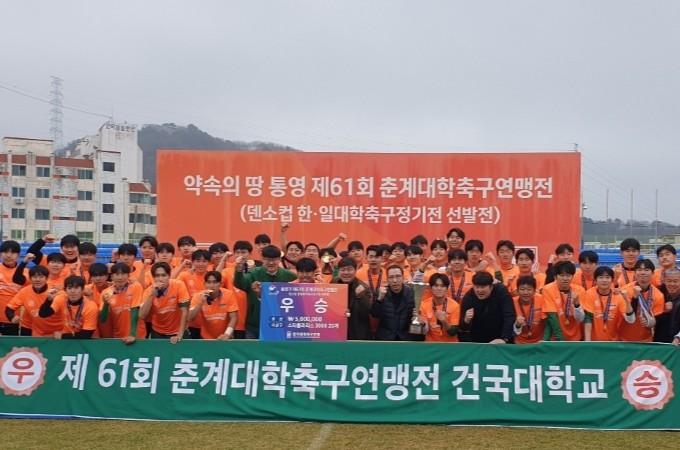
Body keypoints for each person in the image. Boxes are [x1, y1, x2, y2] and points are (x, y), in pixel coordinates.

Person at [234, 245, 297, 339]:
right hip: (255, 325)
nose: (271, 263)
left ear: (279, 259)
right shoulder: (254, 273)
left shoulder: (290, 276)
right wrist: (238, 270)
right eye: (267, 259)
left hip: (280, 325)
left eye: (274, 259)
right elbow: (240, 283)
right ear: (262, 259)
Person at [458, 271, 515, 343]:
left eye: (483, 287)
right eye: (477, 287)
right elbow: (462, 328)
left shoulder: (501, 291)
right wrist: (466, 320)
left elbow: (509, 315)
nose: (479, 290)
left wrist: (504, 338)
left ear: (491, 287)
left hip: (500, 338)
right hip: (478, 340)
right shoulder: (468, 297)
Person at [139, 262, 191, 343]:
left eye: (163, 275)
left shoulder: (179, 285)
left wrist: (180, 335)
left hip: (178, 331)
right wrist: (152, 295)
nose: (160, 279)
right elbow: (142, 315)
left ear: (169, 276)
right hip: (158, 332)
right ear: (153, 278)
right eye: (157, 276)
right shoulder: (148, 291)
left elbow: (184, 310)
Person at [582, 266, 635, 341]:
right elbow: (588, 318)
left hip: (613, 342)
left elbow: (631, 320)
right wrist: (588, 341)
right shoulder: (589, 294)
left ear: (612, 280)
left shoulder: (618, 296)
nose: (604, 280)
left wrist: (627, 300)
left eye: (607, 277)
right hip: (594, 341)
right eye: (600, 277)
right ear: (595, 280)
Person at [618, 259, 665, 342]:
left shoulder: (658, 295)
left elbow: (657, 320)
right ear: (635, 273)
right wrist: (635, 298)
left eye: (646, 270)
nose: (643, 273)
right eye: (639, 270)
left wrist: (650, 321)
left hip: (646, 340)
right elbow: (629, 318)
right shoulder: (625, 291)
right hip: (623, 339)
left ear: (653, 273)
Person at [99, 263, 146, 344]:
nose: (120, 277)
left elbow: (135, 310)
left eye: (123, 274)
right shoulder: (106, 292)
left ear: (128, 275)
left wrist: (132, 335)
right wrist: (106, 304)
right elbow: (103, 319)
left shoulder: (136, 287)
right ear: (112, 276)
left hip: (138, 335)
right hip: (118, 337)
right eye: (117, 274)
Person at [370, 265, 420, 341]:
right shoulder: (381, 292)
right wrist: (379, 299)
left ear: (403, 277)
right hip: (385, 338)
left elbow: (416, 316)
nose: (395, 280)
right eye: (391, 277)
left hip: (406, 338)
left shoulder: (411, 293)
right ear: (387, 279)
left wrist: (417, 316)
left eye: (398, 276)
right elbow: (374, 314)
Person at [5, 266, 58, 336]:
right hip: (28, 328)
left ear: (47, 278)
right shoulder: (24, 291)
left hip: (49, 329)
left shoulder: (55, 291)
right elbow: (9, 309)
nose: (38, 280)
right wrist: (12, 317)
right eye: (34, 277)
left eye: (41, 277)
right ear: (30, 278)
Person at [541, 261, 585, 341]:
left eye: (568, 275)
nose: (565, 278)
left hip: (575, 338)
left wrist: (577, 305)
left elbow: (580, 319)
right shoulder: (547, 289)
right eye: (562, 275)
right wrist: (561, 340)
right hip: (556, 339)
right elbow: (551, 317)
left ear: (572, 276)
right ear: (555, 276)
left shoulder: (579, 290)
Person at [188, 271, 239, 340]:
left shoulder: (229, 294)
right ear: (205, 284)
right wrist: (200, 303)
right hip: (205, 339)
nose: (211, 285)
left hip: (225, 338)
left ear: (220, 284)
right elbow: (190, 317)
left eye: (215, 282)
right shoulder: (198, 296)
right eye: (208, 282)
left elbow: (234, 317)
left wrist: (227, 334)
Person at [334, 257, 373, 340]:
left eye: (349, 269)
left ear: (355, 270)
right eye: (343, 270)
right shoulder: (333, 284)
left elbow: (369, 310)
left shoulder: (363, 287)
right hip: (338, 332)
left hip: (358, 333)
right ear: (339, 271)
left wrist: (361, 297)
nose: (346, 272)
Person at [221, 240, 253, 339]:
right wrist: (224, 259)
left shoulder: (256, 272)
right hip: (232, 322)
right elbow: (215, 280)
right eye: (237, 252)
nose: (240, 255)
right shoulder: (227, 271)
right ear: (234, 254)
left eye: (243, 252)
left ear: (250, 254)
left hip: (250, 323)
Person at [178, 249, 212, 338]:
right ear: (192, 262)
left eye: (204, 261)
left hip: (209, 323)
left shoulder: (212, 278)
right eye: (197, 261)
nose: (201, 264)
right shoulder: (184, 276)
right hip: (190, 323)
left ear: (209, 262)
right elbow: (172, 284)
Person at [419, 273, 460, 342]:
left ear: (447, 289)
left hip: (450, 345)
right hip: (431, 345)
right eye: (436, 285)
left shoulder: (455, 306)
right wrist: (422, 323)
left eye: (442, 286)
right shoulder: (424, 304)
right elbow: (424, 331)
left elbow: (453, 332)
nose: (439, 288)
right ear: (430, 288)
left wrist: (444, 321)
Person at [0, 240, 27, 335]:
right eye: (5, 252)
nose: (8, 255)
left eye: (13, 252)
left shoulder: (25, 273)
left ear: (19, 255)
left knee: (11, 349)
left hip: (14, 320)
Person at [512, 276, 547, 344]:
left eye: (529, 289)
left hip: (539, 342)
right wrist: (517, 325)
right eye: (522, 289)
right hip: (519, 342)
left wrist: (544, 340)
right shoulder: (511, 302)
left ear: (534, 291)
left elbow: (547, 323)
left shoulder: (542, 299)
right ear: (517, 291)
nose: (525, 292)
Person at [655, 267, 680, 342]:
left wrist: (678, 337)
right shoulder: (657, 293)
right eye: (669, 281)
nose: (672, 284)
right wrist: (662, 310)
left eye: (675, 281)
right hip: (659, 341)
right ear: (664, 281)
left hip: (677, 342)